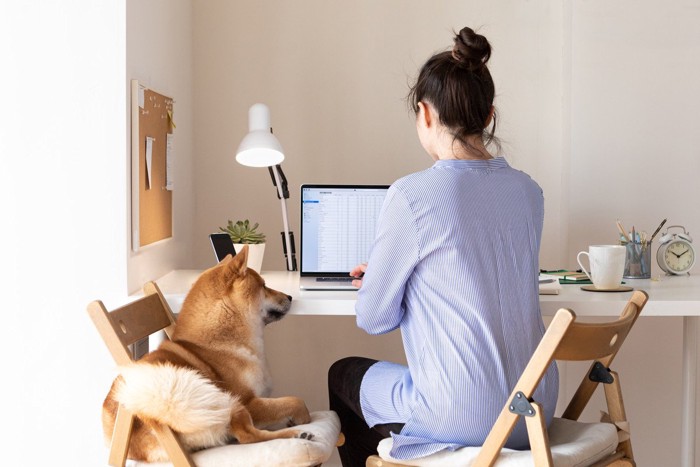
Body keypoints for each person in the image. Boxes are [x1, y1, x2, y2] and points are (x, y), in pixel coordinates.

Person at [327, 26, 558, 466]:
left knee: (343, 373)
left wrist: (384, 276)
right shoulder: (530, 192)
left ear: (425, 113)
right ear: (489, 115)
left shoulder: (413, 195)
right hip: (533, 413)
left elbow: (373, 318)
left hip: (464, 417)